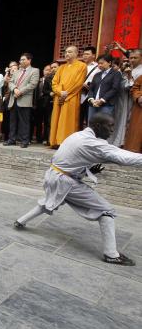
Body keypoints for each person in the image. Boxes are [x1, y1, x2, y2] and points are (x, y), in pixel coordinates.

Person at [14, 113, 142, 265]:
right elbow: (123, 158)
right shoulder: (92, 143)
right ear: (98, 126)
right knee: (106, 211)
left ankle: (20, 221)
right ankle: (111, 254)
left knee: (50, 201)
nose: (112, 130)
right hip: (64, 181)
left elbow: (72, 160)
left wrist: (88, 171)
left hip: (53, 175)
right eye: (110, 126)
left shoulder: (78, 135)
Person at [49, 46, 87, 147]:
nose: (67, 54)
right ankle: (55, 141)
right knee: (56, 119)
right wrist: (60, 92)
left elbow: (78, 83)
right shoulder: (61, 67)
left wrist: (66, 94)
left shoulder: (82, 66)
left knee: (67, 120)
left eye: (70, 52)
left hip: (71, 97)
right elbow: (54, 82)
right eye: (66, 52)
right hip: (59, 96)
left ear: (76, 53)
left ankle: (66, 143)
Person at [4, 53, 40, 148]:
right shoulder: (16, 72)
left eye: (23, 59)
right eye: (20, 60)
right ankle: (11, 139)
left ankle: (24, 141)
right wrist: (15, 89)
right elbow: (10, 82)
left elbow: (33, 84)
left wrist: (20, 91)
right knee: (12, 121)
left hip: (24, 99)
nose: (21, 61)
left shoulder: (35, 71)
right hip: (14, 99)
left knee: (24, 121)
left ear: (29, 60)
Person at [86, 54, 121, 121]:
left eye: (102, 63)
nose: (99, 65)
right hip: (93, 104)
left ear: (109, 63)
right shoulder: (97, 75)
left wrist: (102, 100)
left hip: (106, 105)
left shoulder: (116, 74)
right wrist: (91, 100)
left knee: (103, 126)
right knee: (91, 125)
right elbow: (91, 89)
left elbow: (114, 89)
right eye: (98, 63)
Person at [80, 46, 100, 129]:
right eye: (84, 54)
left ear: (93, 55)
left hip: (90, 95)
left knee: (89, 117)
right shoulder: (79, 66)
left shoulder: (98, 67)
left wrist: (89, 85)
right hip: (78, 94)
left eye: (87, 54)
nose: (84, 56)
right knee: (78, 117)